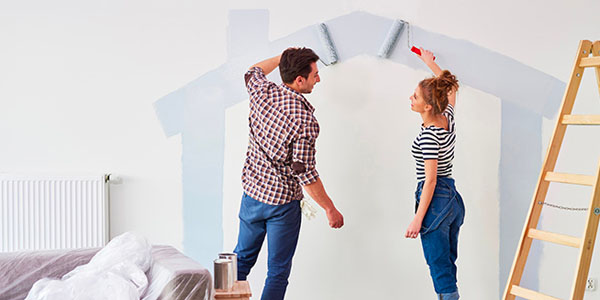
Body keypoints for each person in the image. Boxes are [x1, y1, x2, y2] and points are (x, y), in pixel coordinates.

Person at [234, 47, 344, 300]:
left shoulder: (262, 92)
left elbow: (252, 72)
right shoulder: (305, 120)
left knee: (239, 263)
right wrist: (329, 208)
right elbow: (306, 174)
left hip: (252, 195)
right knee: (278, 271)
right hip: (282, 206)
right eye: (315, 74)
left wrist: (282, 58)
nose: (319, 79)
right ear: (299, 80)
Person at [405, 48, 465, 300]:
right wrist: (430, 65)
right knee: (447, 266)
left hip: (435, 199)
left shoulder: (429, 134)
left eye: (416, 96)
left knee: (439, 269)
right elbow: (451, 89)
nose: (411, 97)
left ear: (427, 106)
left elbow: (430, 180)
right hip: (452, 198)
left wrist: (418, 219)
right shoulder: (446, 119)